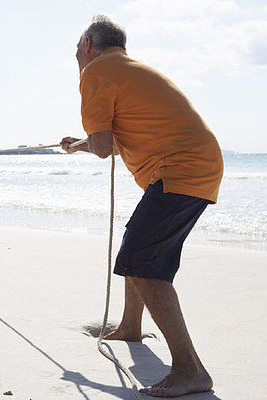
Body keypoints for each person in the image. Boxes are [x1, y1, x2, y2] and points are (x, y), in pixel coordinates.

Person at [60, 15, 223, 398]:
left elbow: (102, 147)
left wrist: (82, 144)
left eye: (76, 50)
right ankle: (130, 326)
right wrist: (81, 144)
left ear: (87, 44)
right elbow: (113, 143)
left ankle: (190, 369)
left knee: (143, 263)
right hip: (196, 165)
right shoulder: (129, 69)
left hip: (179, 169)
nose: (77, 58)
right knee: (137, 248)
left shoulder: (97, 71)